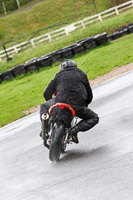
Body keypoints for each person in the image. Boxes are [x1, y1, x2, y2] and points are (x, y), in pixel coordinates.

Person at [40, 59, 99, 146]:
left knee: (44, 106)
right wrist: (84, 106)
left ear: (62, 68)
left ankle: (45, 130)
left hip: (60, 102)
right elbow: (89, 95)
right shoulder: (82, 74)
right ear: (75, 66)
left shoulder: (59, 75)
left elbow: (46, 93)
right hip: (78, 106)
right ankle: (75, 130)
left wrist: (50, 102)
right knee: (94, 118)